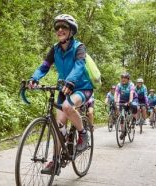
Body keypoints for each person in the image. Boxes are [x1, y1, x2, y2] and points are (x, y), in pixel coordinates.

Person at [28, 14, 93, 174]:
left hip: (82, 87)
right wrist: (34, 78)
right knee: (58, 127)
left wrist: (71, 81)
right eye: (58, 27)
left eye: (64, 27)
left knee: (67, 106)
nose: (60, 30)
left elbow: (79, 66)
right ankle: (56, 161)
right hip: (64, 89)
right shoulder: (55, 49)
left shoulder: (79, 47)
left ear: (71, 30)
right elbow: (44, 66)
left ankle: (83, 135)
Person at [114, 73, 138, 139]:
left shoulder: (131, 84)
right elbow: (116, 93)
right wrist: (115, 101)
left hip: (132, 98)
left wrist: (130, 101)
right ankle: (123, 131)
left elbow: (131, 93)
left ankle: (134, 119)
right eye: (122, 78)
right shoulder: (119, 85)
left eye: (125, 78)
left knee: (134, 106)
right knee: (122, 116)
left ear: (128, 79)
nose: (123, 79)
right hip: (123, 100)